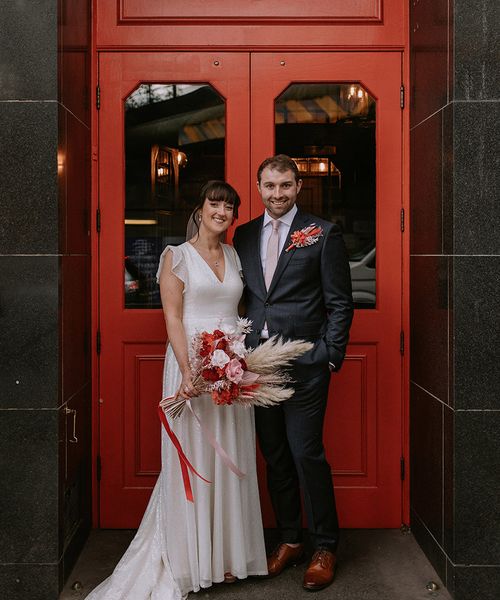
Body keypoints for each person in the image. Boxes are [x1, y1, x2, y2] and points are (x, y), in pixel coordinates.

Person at [87, 181, 267, 600]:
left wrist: (236, 359)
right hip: (191, 364)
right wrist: (189, 371)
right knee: (196, 455)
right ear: (200, 209)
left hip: (231, 368)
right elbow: (173, 319)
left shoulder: (234, 254)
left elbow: (236, 311)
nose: (221, 211)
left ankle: (225, 558)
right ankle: (191, 560)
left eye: (229, 206)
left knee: (230, 456)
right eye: (214, 203)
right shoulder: (176, 256)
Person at [233, 154, 353, 591]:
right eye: (269, 186)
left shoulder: (322, 233)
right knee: (275, 455)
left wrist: (329, 354)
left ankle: (325, 545)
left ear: (298, 187)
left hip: (305, 364)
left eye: (285, 186)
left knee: (305, 453)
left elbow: (340, 302)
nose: (277, 194)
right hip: (255, 367)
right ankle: (289, 539)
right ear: (259, 187)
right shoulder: (243, 234)